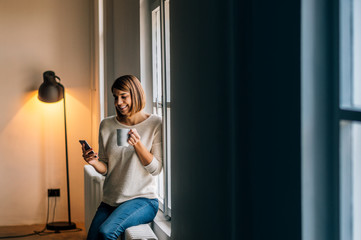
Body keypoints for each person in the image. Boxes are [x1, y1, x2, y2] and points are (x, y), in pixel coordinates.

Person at [82, 75, 163, 240]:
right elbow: (106, 168)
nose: (118, 102)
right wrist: (94, 162)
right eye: (115, 97)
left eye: (123, 96)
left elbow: (156, 169)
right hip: (111, 200)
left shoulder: (155, 123)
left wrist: (138, 144)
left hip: (143, 201)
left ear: (136, 95)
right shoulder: (107, 125)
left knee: (106, 232)